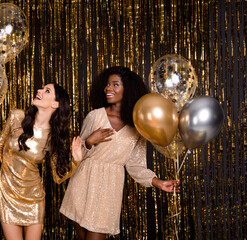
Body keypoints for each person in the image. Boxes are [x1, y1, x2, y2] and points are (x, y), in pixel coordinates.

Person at [59, 66, 180, 240]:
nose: (108, 88)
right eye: (107, 84)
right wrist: (89, 141)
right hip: (83, 182)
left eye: (115, 85)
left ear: (128, 89)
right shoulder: (95, 116)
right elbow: (78, 156)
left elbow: (135, 164)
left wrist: (157, 182)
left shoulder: (138, 126)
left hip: (109, 188)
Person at [0, 83, 82, 240]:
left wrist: (76, 163)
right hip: (7, 193)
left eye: (47, 91)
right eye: (42, 88)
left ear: (55, 104)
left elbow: (57, 178)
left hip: (34, 197)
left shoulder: (52, 138)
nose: (39, 91)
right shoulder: (17, 116)